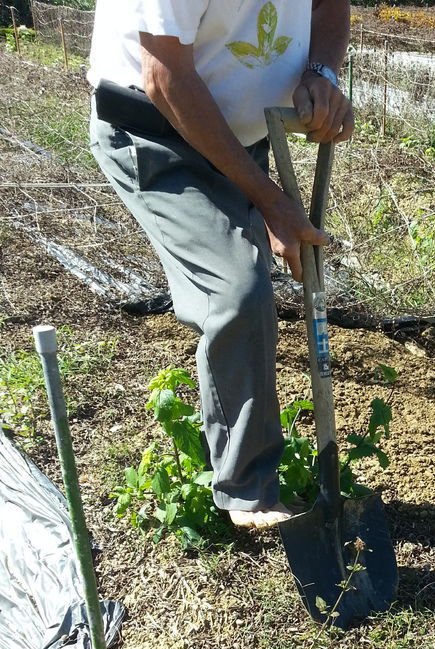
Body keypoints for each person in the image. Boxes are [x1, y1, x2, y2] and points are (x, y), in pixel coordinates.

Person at [87, 0, 353, 530]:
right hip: (152, 130)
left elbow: (330, 5)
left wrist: (320, 71)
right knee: (237, 290)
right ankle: (246, 489)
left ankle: (254, 471)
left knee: (244, 291)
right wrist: (271, 203)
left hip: (239, 141)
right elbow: (164, 75)